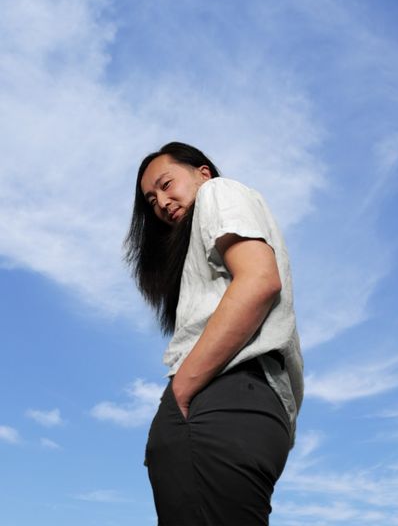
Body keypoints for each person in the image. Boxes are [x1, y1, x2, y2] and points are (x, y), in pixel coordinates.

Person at [124, 141, 304, 526]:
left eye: (167, 184)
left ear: (203, 172)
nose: (161, 202)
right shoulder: (201, 237)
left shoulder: (218, 192)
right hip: (238, 399)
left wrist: (183, 388)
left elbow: (258, 281)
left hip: (220, 393)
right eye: (151, 200)